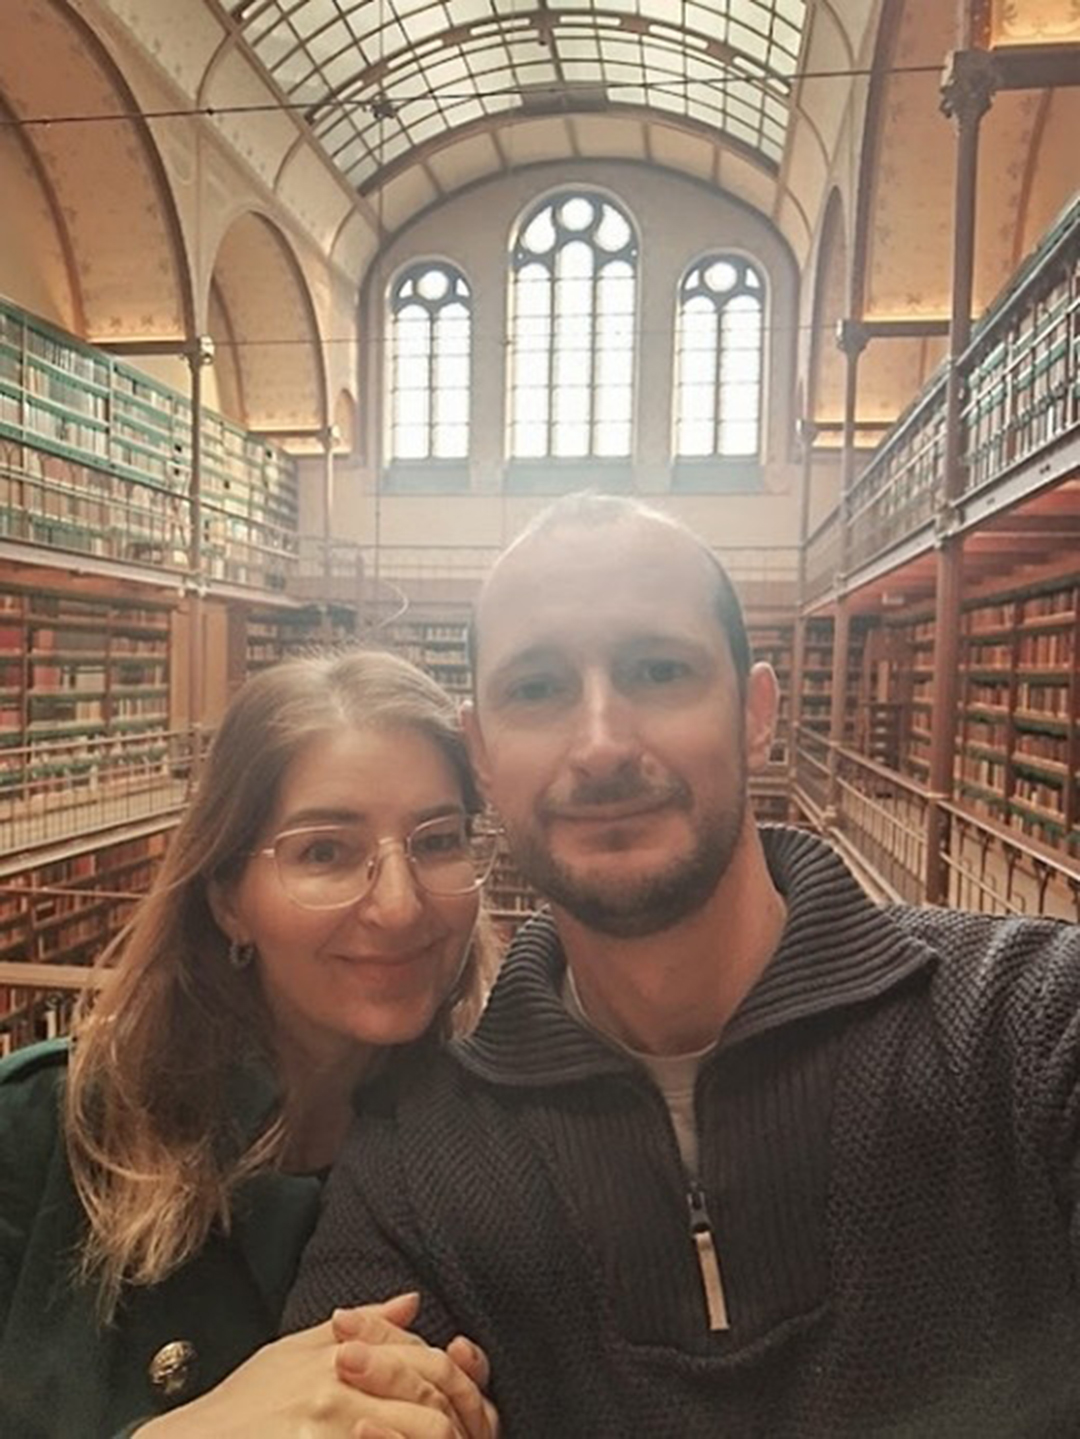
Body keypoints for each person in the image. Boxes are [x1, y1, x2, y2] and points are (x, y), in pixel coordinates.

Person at [286, 493, 1080, 1437]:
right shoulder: (412, 1166)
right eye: (537, 689)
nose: (603, 745)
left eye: (659, 670)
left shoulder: (1033, 1026)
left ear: (755, 715)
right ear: (483, 754)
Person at [0, 649, 502, 1439]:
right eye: (325, 852)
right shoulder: (38, 1140)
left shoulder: (512, 1150)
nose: (401, 907)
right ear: (228, 900)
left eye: (437, 840)